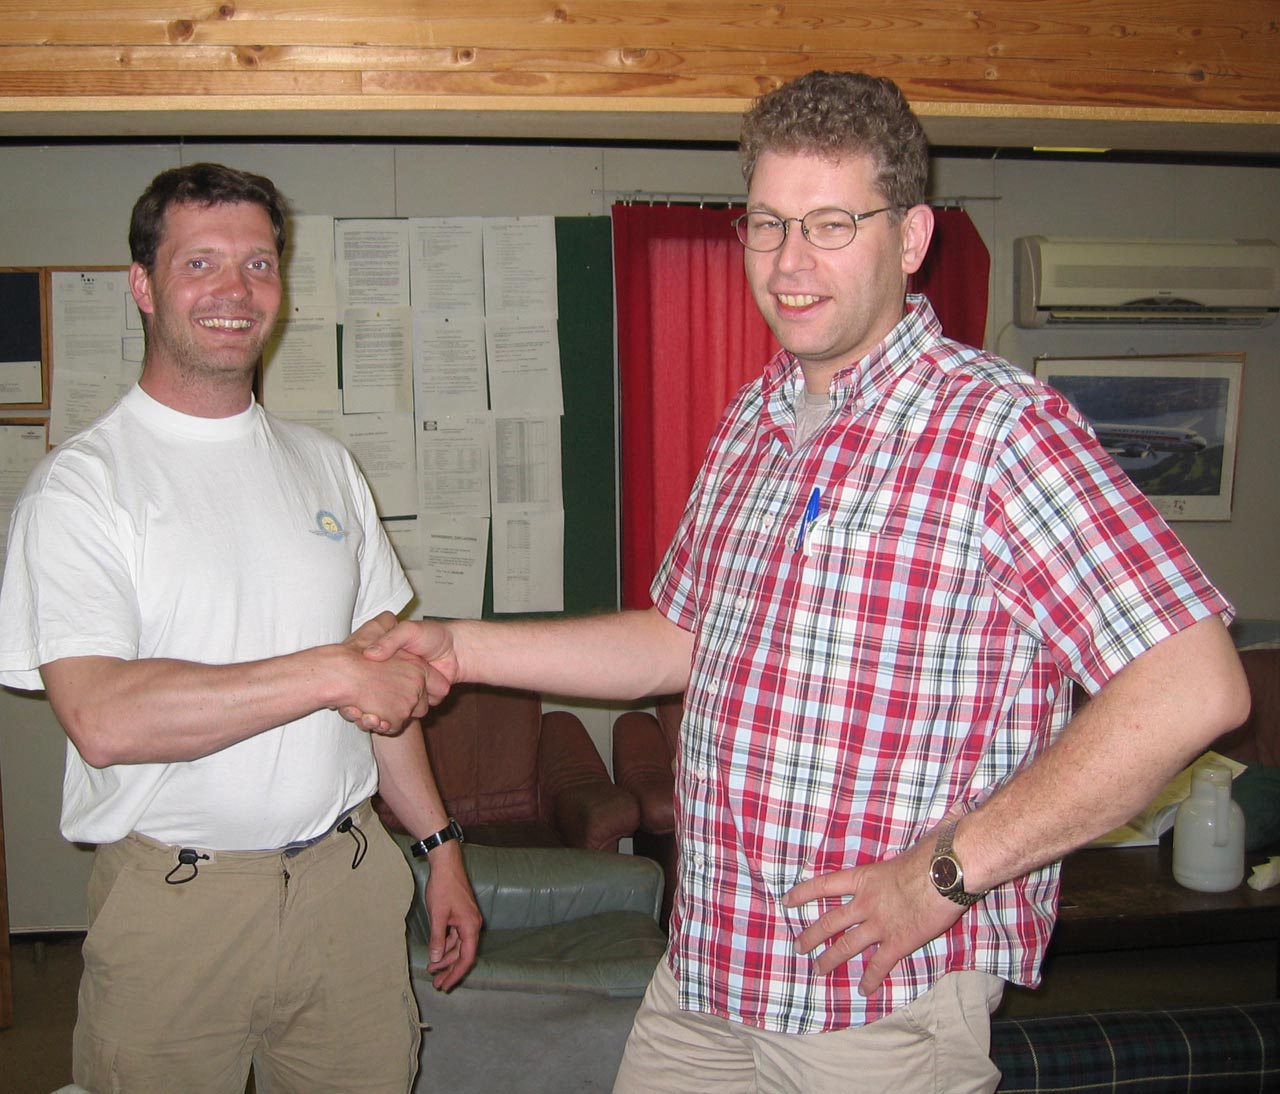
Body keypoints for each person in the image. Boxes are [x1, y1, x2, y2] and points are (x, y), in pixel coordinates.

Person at [350, 72, 1250, 1093]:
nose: (788, 261)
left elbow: (1193, 684)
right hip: (706, 970)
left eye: (829, 224)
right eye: (767, 224)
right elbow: (679, 637)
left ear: (910, 239)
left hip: (870, 1005)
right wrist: (460, 645)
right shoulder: (754, 420)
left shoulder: (999, 430)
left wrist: (945, 873)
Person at [0, 162, 480, 1094]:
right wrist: (332, 671)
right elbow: (103, 718)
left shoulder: (327, 467)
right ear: (144, 286)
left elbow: (381, 691)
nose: (235, 289)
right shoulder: (84, 487)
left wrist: (440, 846)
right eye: (201, 263)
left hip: (346, 886)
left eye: (258, 264)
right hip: (178, 906)